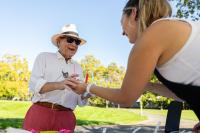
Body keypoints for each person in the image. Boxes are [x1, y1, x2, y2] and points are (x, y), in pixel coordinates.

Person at [65, 0, 200, 132]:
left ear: (133, 13)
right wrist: (145, 85)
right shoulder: (175, 28)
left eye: (121, 23)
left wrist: (87, 87)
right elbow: (181, 94)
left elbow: (126, 99)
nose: (122, 32)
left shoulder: (153, 35)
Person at [23, 24, 88, 132]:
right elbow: (35, 85)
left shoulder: (78, 67)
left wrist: (86, 93)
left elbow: (80, 101)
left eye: (77, 42)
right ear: (59, 41)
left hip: (66, 118)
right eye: (70, 40)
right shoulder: (44, 57)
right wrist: (60, 84)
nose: (74, 44)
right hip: (40, 113)